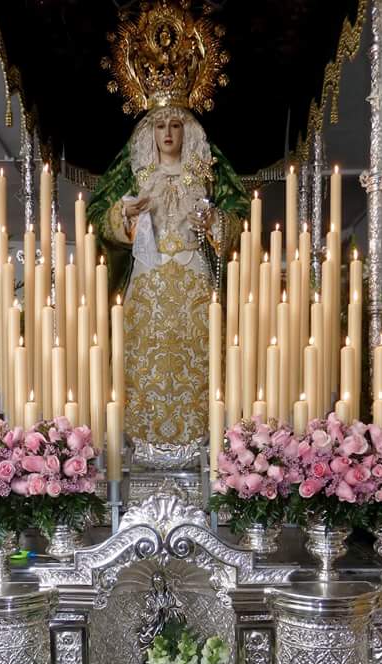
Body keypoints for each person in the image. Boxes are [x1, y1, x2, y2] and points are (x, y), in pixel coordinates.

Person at [88, 105, 247, 455]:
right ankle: (137, 443)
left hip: (194, 276)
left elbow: (242, 219)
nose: (168, 133)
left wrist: (214, 221)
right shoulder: (136, 171)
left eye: (176, 124)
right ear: (152, 133)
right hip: (148, 276)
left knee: (204, 358)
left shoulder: (206, 170)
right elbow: (97, 218)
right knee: (140, 360)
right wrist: (124, 215)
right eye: (160, 126)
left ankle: (206, 446)